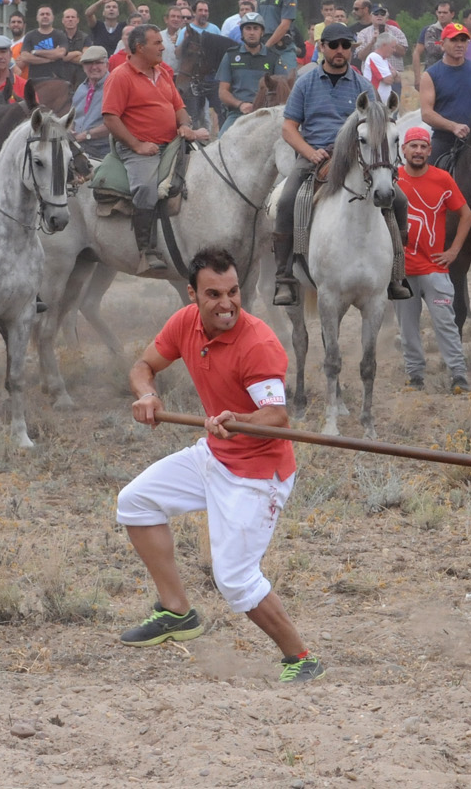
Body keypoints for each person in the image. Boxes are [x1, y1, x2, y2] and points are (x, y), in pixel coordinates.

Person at [115, 248, 323, 682]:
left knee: (235, 581)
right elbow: (142, 366)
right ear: (192, 294)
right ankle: (177, 612)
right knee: (135, 503)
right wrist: (147, 394)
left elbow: (277, 418)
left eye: (233, 292)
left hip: (257, 473)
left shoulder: (258, 344)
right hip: (213, 454)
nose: (226, 304)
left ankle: (301, 658)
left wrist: (239, 420)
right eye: (213, 294)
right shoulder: (183, 323)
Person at [272, 22, 410, 307]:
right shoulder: (305, 83)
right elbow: (289, 128)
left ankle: (396, 273)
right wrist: (309, 153)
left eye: (345, 45)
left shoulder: (362, 85)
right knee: (286, 201)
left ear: (352, 50)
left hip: (356, 158)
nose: (339, 50)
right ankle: (284, 276)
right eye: (333, 45)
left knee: (398, 200)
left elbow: (376, 126)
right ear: (321, 47)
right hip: (314, 157)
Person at [102, 24, 210, 272]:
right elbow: (110, 118)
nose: (163, 47)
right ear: (140, 48)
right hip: (139, 147)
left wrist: (184, 124)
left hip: (172, 142)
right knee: (145, 187)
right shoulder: (120, 76)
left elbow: (178, 107)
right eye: (157, 43)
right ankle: (145, 250)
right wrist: (137, 145)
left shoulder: (161, 73)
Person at [392, 125, 471, 392]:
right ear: (403, 149)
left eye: (423, 146)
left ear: (430, 150)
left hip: (434, 268)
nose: (418, 151)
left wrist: (454, 251)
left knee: (445, 322)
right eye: (413, 146)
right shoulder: (393, 180)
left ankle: (458, 375)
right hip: (401, 270)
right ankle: (415, 376)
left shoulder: (442, 179)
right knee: (408, 327)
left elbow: (466, 215)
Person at [419, 22, 471, 166]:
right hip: (445, 139)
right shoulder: (431, 75)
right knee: (430, 176)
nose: (459, 44)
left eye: (463, 40)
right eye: (454, 40)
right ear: (442, 44)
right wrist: (453, 126)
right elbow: (427, 113)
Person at [215, 16, 279, 131]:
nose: (252, 33)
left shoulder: (273, 58)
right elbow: (222, 92)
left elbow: (281, 90)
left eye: (256, 28)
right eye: (248, 28)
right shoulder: (230, 56)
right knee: (221, 143)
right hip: (237, 114)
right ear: (242, 32)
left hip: (266, 115)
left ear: (262, 32)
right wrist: (240, 105)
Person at [257, 0, 301, 73]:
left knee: (287, 85)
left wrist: (266, 47)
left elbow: (284, 25)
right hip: (263, 47)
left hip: (282, 49)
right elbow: (258, 23)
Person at [71, 46, 113, 159]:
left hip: (104, 150)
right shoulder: (81, 88)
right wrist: (70, 131)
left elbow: (115, 123)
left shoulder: (114, 86)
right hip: (79, 148)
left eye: (98, 62)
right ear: (83, 67)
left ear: (107, 65)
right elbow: (73, 117)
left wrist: (86, 135)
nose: (94, 67)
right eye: (89, 63)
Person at [412, 1, 455, 78]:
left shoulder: (458, 30)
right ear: (436, 13)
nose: (441, 15)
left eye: (445, 13)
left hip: (454, 72)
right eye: (439, 12)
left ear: (452, 14)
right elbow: (421, 51)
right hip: (433, 73)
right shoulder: (428, 30)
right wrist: (417, 77)